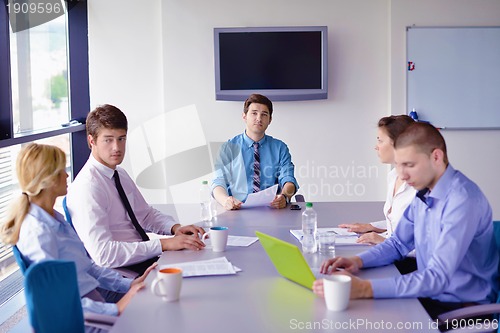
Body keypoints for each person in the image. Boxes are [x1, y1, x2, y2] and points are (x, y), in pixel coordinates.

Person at [313, 122, 499, 324]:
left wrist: (365, 288)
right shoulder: (424, 193)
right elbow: (398, 243)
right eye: (399, 165)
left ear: (436, 157)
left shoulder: (462, 200)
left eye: (409, 165)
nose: (402, 175)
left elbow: (436, 277)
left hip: (462, 308)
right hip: (430, 295)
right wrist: (358, 261)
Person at [0, 143, 153, 327]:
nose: (66, 175)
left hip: (93, 302)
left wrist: (130, 285)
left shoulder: (55, 218)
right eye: (61, 171)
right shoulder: (38, 233)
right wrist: (116, 309)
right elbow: (58, 300)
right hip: (81, 317)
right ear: (48, 180)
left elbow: (88, 267)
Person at [66, 104, 205, 275]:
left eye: (121, 139)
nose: (117, 147)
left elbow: (145, 215)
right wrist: (164, 244)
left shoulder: (119, 174)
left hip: (142, 261)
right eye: (108, 140)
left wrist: (174, 228)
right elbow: (104, 254)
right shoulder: (87, 187)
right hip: (120, 273)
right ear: (91, 141)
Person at [212, 93, 299, 210]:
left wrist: (284, 196)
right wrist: (225, 201)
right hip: (237, 209)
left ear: (270, 120)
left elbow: (288, 180)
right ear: (244, 116)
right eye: (254, 113)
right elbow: (218, 182)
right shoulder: (228, 148)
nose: (259, 118)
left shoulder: (280, 148)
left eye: (264, 114)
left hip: (272, 210)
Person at [339, 115, 416, 245]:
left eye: (380, 141)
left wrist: (384, 242)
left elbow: (426, 247)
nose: (376, 147)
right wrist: (371, 226)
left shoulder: (419, 187)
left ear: (399, 143)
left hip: (410, 262)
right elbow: (399, 224)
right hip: (391, 254)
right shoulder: (393, 176)